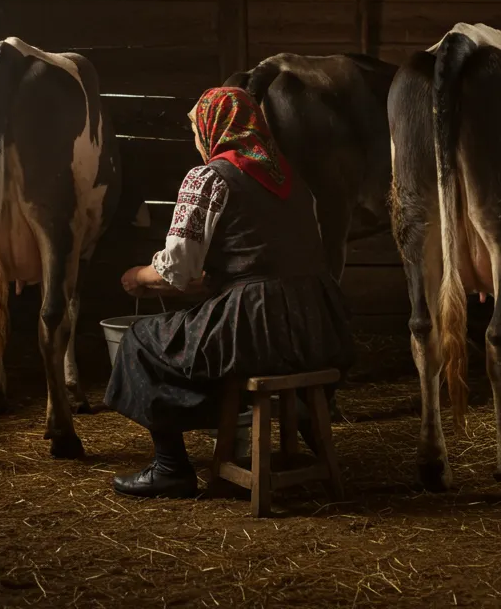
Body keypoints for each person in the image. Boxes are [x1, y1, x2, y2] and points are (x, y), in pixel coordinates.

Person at [104, 86, 356, 498]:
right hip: (317, 325)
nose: (196, 142)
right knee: (204, 336)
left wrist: (138, 277)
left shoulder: (209, 178)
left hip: (256, 328)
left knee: (139, 341)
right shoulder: (292, 180)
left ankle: (170, 468)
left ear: (212, 129)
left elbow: (176, 272)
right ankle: (309, 411)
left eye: (196, 132)